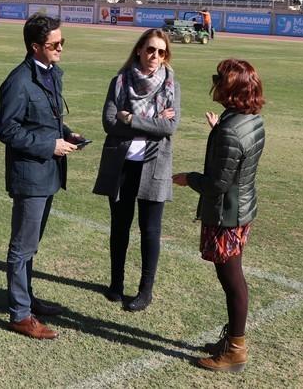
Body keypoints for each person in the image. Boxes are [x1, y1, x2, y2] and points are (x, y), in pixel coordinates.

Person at [172, 58, 265, 372]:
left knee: (232, 280)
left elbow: (217, 184)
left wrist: (188, 178)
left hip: (228, 215)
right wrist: (219, 131)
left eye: (219, 79)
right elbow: (238, 158)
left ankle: (236, 350)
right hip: (242, 208)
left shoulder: (230, 130)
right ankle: (232, 342)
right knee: (233, 278)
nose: (214, 82)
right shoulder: (250, 119)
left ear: (231, 89)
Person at [0, 13, 84, 340]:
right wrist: (50, 145)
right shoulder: (18, 81)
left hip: (48, 172)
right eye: (54, 44)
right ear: (35, 47)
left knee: (31, 245)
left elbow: (45, 119)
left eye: (62, 42)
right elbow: (7, 130)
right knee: (22, 246)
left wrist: (67, 133)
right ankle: (20, 314)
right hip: (30, 175)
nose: (60, 48)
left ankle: (27, 298)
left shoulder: (50, 73)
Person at [92, 28, 179, 312]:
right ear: (139, 49)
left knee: (150, 230)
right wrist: (153, 120)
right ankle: (116, 284)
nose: (155, 56)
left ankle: (145, 291)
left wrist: (130, 119)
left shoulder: (170, 85)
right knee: (119, 227)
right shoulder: (119, 81)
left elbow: (170, 127)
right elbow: (108, 122)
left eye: (161, 52)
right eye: (151, 49)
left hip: (155, 165)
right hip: (122, 163)